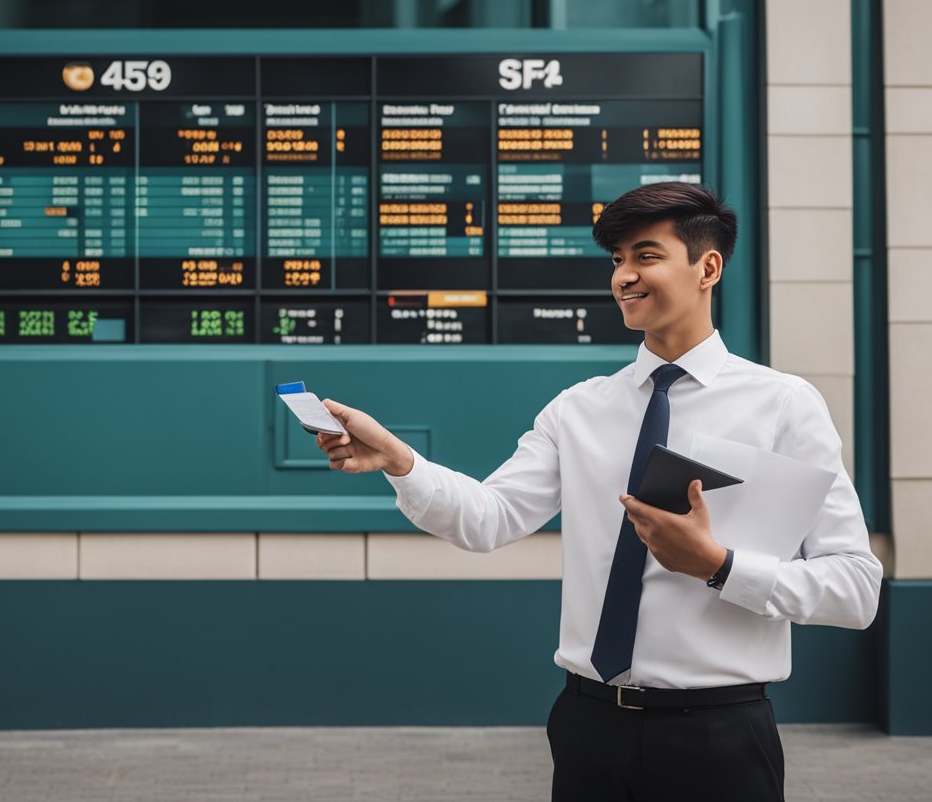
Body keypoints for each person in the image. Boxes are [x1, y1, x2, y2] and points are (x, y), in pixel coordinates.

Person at [316, 182, 882, 802]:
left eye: (646, 256)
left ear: (707, 267)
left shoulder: (782, 405)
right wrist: (400, 461)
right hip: (589, 729)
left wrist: (719, 567)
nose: (624, 277)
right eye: (616, 261)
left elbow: (855, 589)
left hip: (719, 738)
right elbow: (488, 519)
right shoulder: (579, 409)